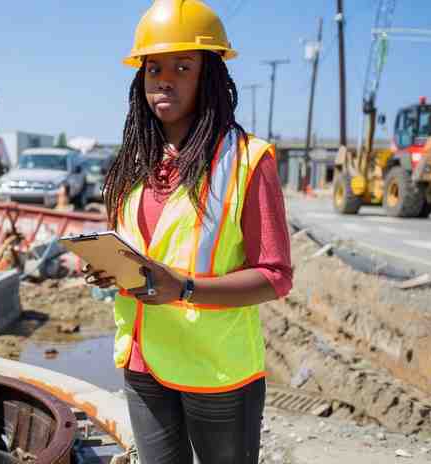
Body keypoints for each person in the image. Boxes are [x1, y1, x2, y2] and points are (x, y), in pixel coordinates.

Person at [83, 1, 293, 462]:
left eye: (182, 66)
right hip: (143, 361)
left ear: (210, 75)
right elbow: (140, 253)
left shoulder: (247, 161)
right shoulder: (134, 163)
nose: (164, 78)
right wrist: (109, 271)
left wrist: (185, 288)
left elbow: (275, 275)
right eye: (153, 67)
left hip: (215, 371)